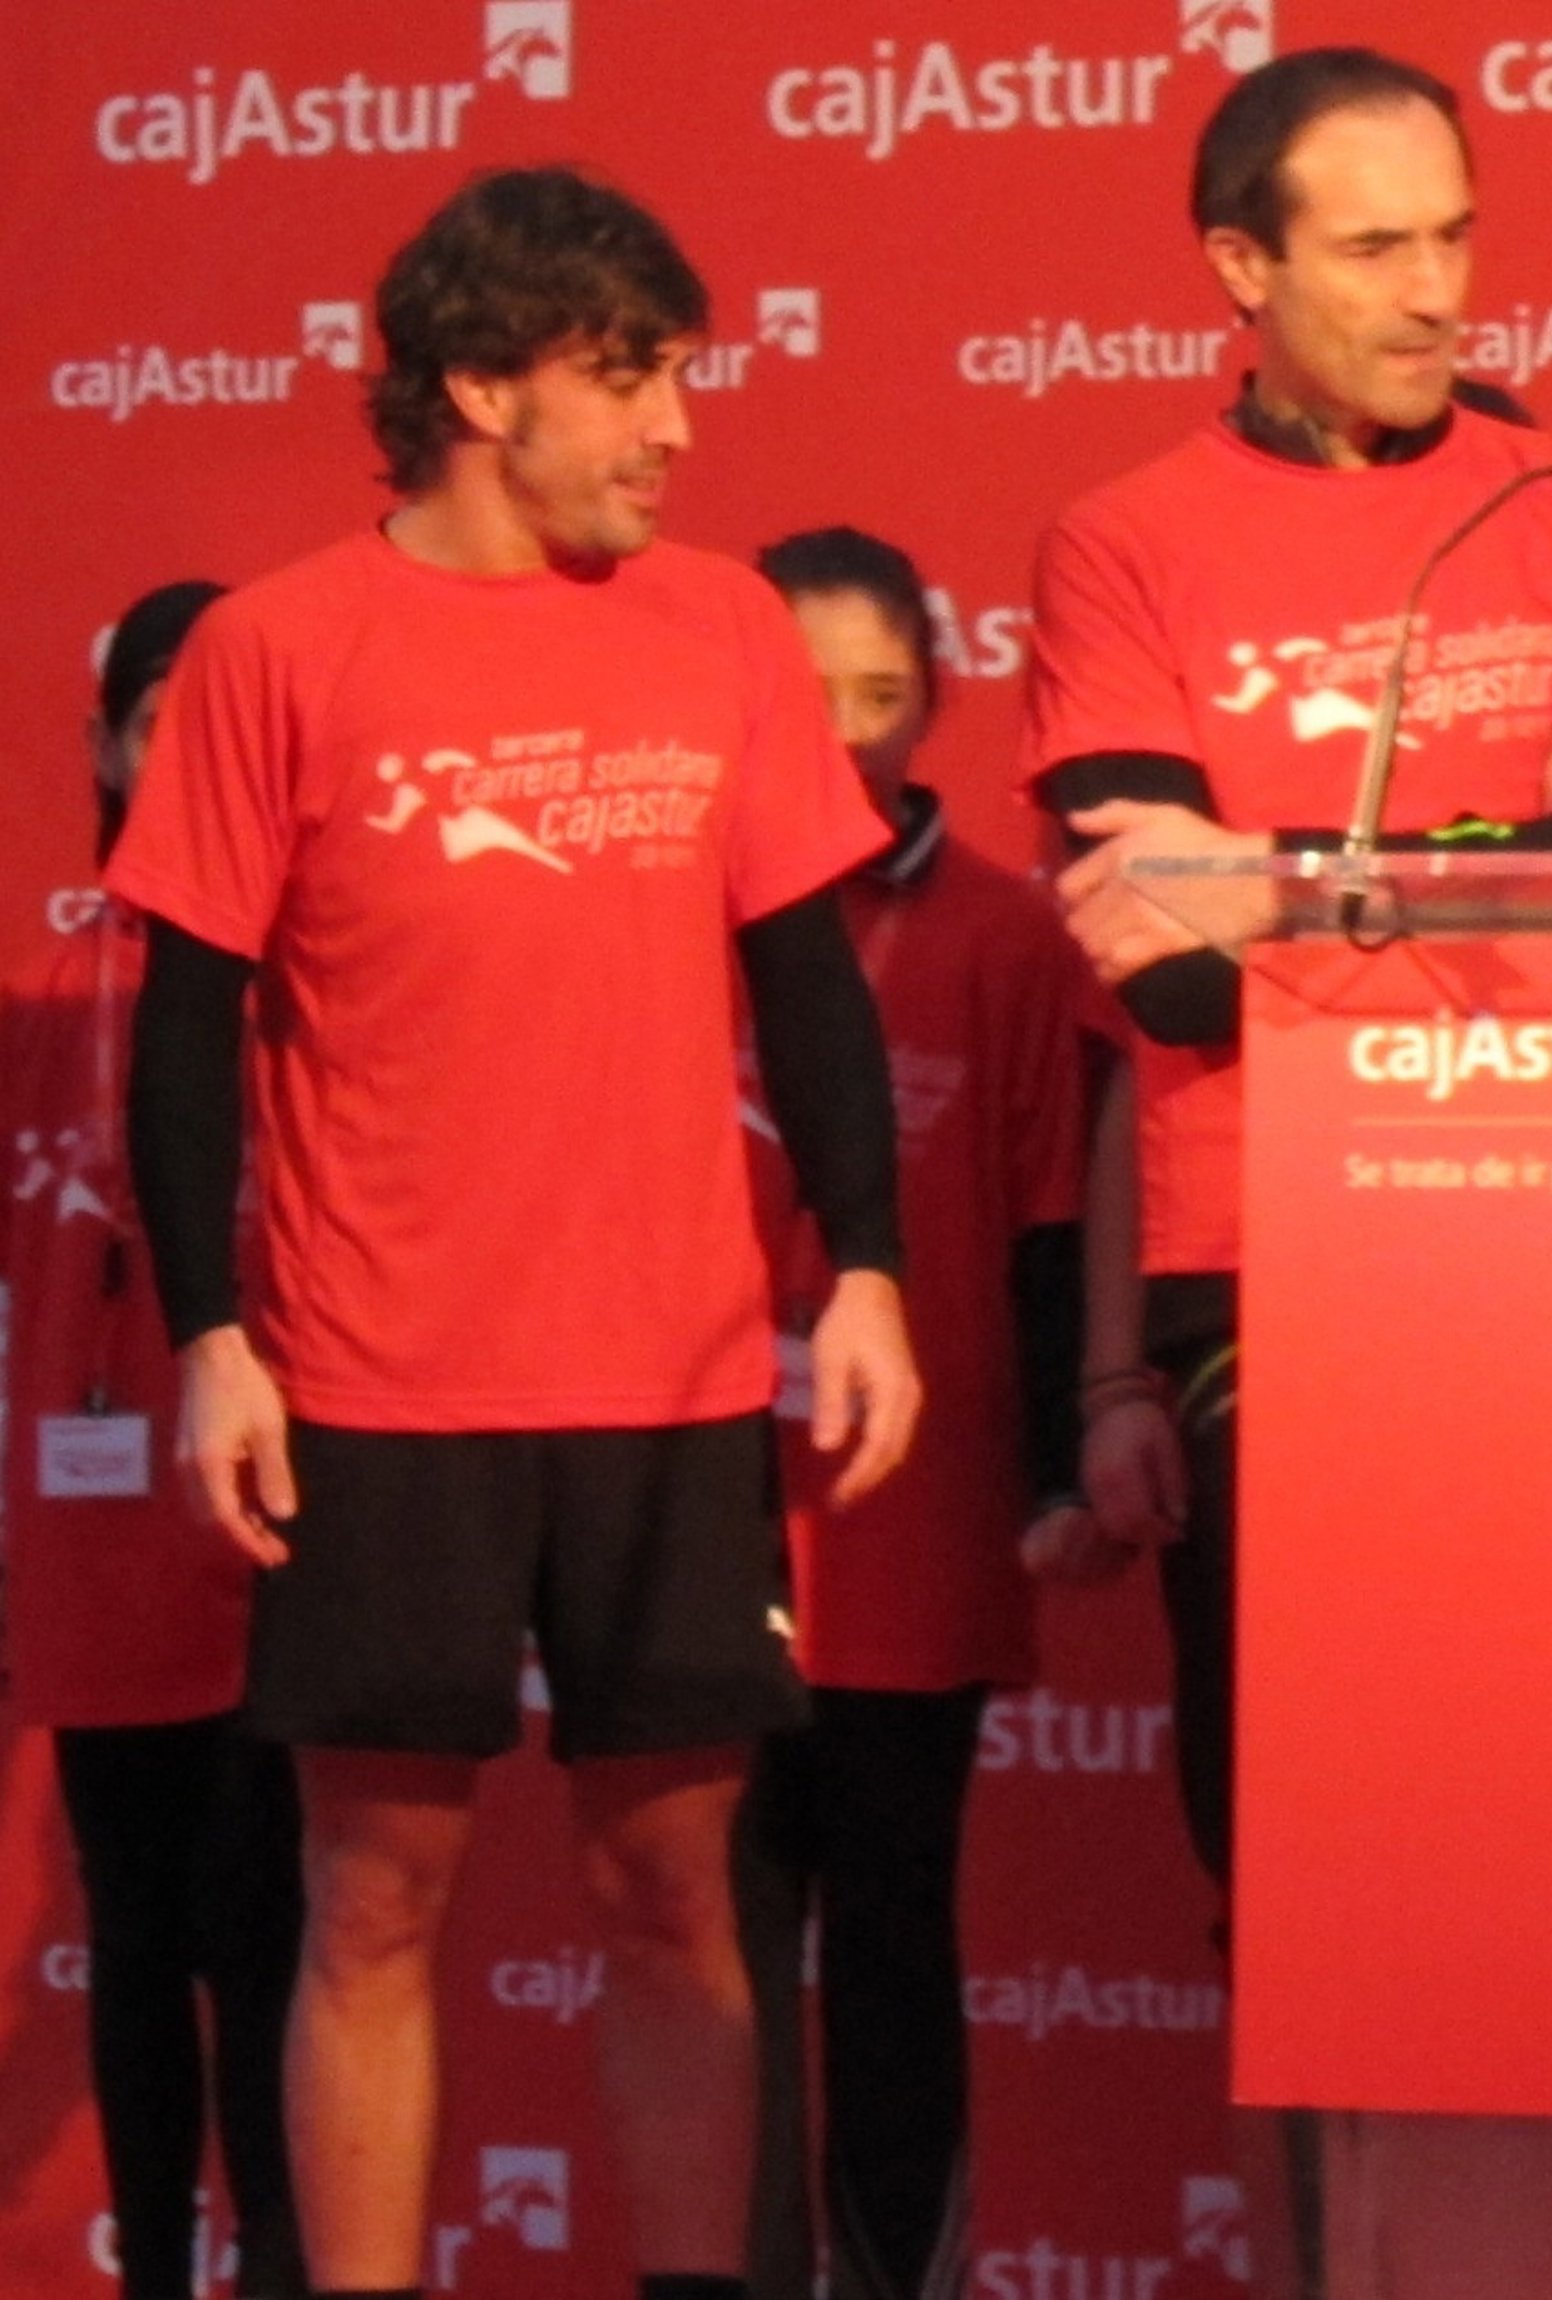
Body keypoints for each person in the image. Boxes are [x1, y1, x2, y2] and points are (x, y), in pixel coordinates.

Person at [105, 168, 919, 2300]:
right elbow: (186, 1024)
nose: (674, 426)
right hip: (380, 1380)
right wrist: (209, 1333)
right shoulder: (278, 647)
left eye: (678, 377)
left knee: (679, 1897)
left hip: (670, 1373)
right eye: (627, 377)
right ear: (482, 387)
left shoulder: (724, 625)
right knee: (373, 1903)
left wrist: (869, 1265)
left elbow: (810, 981)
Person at [1022, 41, 1552, 1904]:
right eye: (1378, 248)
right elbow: (1168, 981)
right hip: (1270, 1262)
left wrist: (1279, 881)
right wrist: (1503, 861)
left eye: (1455, 237)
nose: (1437, 293)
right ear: (1243, 267)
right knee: (1310, 1871)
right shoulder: (1121, 545)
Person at [732, 525, 1099, 2300]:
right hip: (699, 1520)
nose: (847, 736)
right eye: (805, 696)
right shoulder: (657, 918)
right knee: (707, 1946)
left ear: (935, 704)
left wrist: (1057, 1467)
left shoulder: (1008, 939)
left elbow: (1051, 1226)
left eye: (881, 696)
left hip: (912, 1521)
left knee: (888, 1934)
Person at [0, 580, 307, 2300]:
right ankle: (159, 2272)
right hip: (89, 1532)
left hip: (275, 1522)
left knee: (272, 1934)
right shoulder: (37, 1002)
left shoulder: (315, 992)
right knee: (133, 1935)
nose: (183, 751)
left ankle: (284, 2261)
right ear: (106, 748)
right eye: (153, 717)